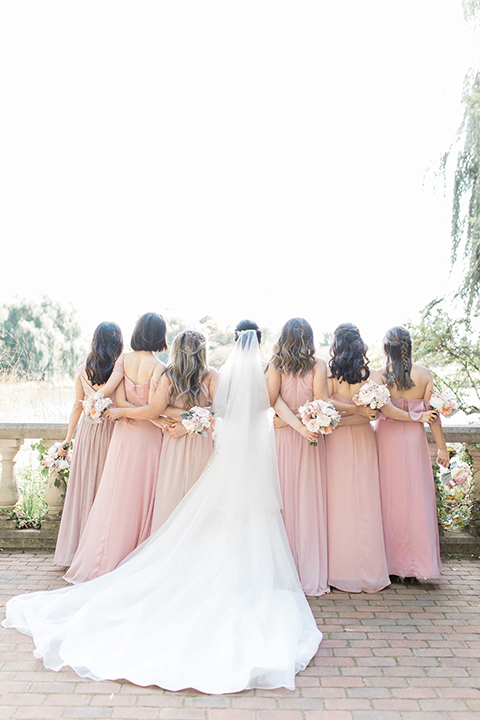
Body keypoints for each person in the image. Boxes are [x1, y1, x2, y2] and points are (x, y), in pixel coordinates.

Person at [3, 329, 321, 693]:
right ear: (202, 351)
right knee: (201, 516)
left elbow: (159, 411)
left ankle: (179, 568)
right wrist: (194, 422)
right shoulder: (212, 376)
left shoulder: (168, 375)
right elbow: (223, 416)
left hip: (175, 447)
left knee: (180, 514)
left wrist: (172, 419)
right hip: (200, 449)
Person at [64, 312, 168, 584]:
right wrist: (153, 417)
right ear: (161, 336)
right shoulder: (160, 368)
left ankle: (106, 558)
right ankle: (137, 556)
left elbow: (115, 394)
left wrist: (93, 403)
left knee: (116, 496)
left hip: (123, 434)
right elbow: (157, 409)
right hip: (149, 438)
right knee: (144, 495)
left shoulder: (124, 360)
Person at [123, 330, 218, 532]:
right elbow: (158, 409)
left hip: (182, 437)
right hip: (189, 437)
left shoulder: (193, 376)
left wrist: (186, 425)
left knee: (187, 492)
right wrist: (188, 416)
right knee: (182, 492)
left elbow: (221, 411)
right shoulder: (175, 375)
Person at [375, 326, 447, 581]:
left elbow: (378, 411)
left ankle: (390, 566)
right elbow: (434, 416)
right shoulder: (425, 375)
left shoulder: (380, 376)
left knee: (387, 500)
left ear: (386, 348)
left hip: (384, 439)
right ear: (410, 347)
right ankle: (416, 567)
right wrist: (442, 447)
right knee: (416, 500)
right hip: (413, 440)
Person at [266, 317, 329, 596]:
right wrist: (304, 427)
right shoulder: (318, 366)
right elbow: (321, 404)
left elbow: (273, 400)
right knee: (305, 500)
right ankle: (304, 571)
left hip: (285, 434)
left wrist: (293, 423)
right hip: (307, 438)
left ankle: (281, 571)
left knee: (282, 500)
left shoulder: (275, 364)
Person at [54, 322, 124, 567]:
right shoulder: (120, 368)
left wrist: (68, 438)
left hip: (88, 431)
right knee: (109, 486)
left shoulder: (84, 369)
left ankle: (79, 550)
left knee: (87, 486)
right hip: (113, 430)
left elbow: (77, 406)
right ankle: (104, 551)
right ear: (117, 341)